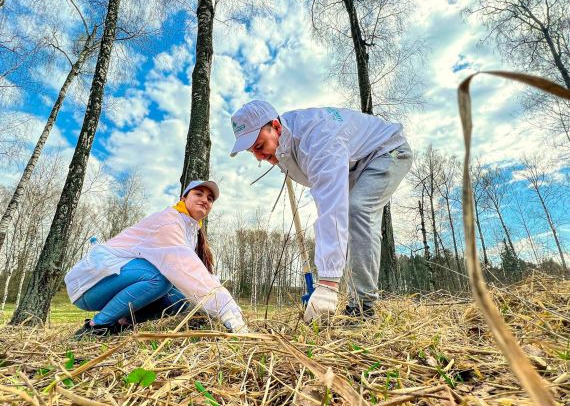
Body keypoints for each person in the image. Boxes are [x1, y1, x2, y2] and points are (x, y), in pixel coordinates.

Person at [229, 100, 412, 323]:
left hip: (386, 151)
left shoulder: (319, 140)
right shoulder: (284, 144)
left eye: (259, 147)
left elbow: (331, 208)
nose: (258, 157)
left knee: (357, 210)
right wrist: (277, 157)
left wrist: (328, 283)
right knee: (351, 213)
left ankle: (363, 308)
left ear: (276, 126)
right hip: (353, 166)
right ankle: (357, 303)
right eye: (252, 152)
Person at [65, 180, 249, 337]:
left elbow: (198, 274)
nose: (204, 200)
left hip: (113, 284)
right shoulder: (169, 221)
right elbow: (185, 267)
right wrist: (224, 309)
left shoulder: (190, 231)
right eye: (198, 194)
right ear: (183, 198)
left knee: (182, 297)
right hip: (88, 287)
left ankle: (120, 322)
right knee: (160, 278)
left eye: (210, 199)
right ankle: (96, 326)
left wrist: (229, 309)